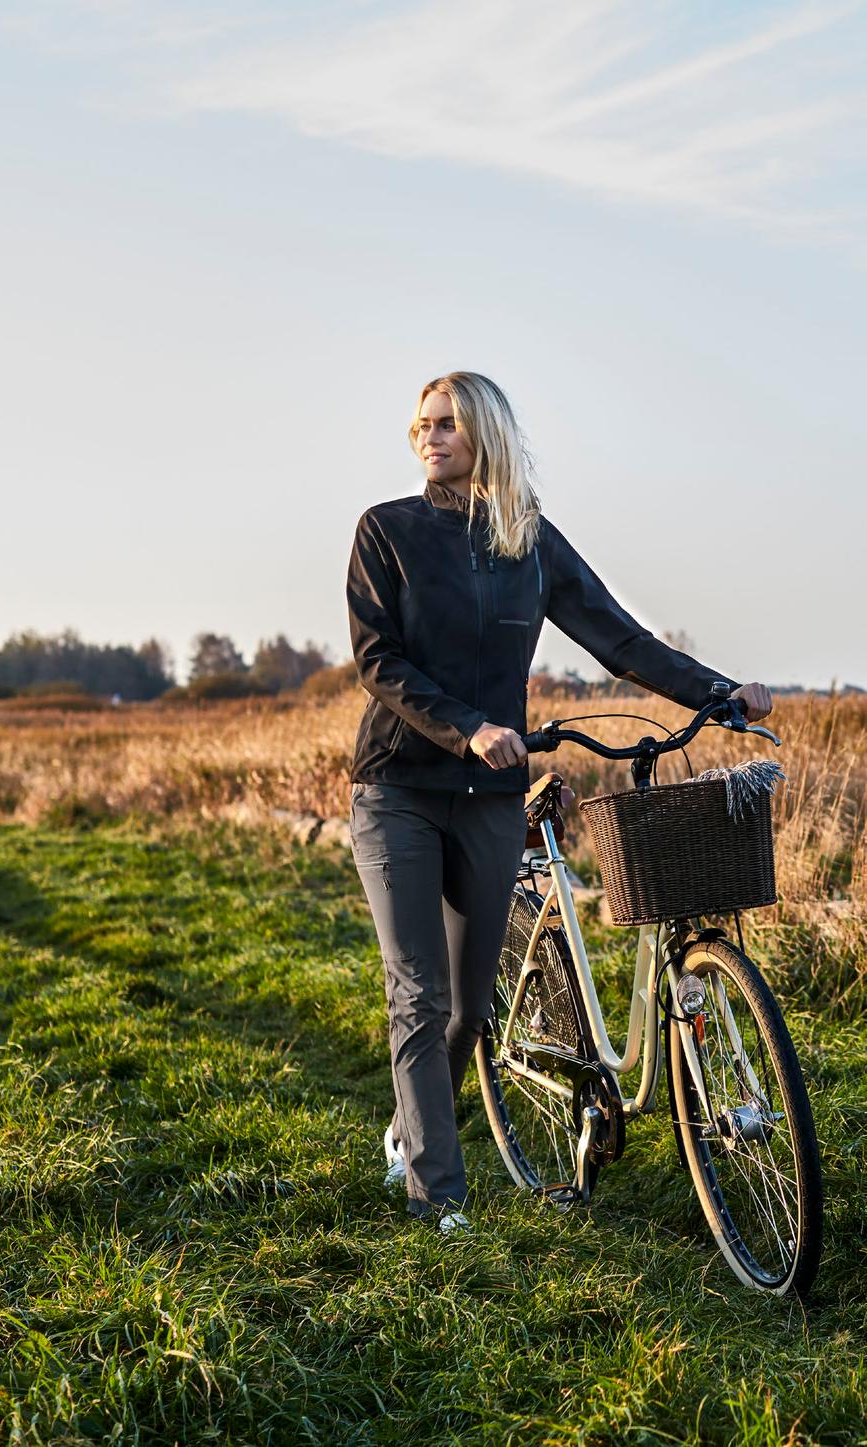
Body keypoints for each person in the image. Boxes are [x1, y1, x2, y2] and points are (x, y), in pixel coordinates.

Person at [345, 370, 772, 1236]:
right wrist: (467, 726)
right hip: (397, 787)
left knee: (470, 1006)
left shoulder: (529, 541)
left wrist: (721, 692)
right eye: (422, 424)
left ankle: (410, 1122)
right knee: (420, 995)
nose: (432, 436)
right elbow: (378, 661)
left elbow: (616, 634)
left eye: (450, 423)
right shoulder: (385, 530)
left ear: (487, 434)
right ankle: (441, 1197)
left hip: (493, 795)